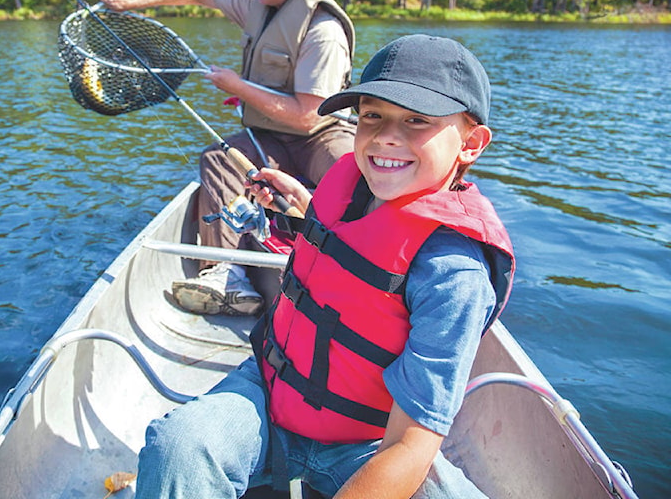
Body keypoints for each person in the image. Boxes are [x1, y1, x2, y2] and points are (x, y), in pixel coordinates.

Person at [132, 34, 515, 499]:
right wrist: (304, 211)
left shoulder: (455, 275)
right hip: (272, 392)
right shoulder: (350, 187)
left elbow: (410, 445)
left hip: (370, 440)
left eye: (417, 120)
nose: (387, 135)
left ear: (471, 143)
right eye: (372, 115)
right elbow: (347, 260)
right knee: (179, 447)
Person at [99, 0, 356, 316]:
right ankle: (224, 273)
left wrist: (237, 85)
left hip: (320, 133)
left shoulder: (324, 31)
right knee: (219, 159)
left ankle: (363, 267)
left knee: (352, 173)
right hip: (267, 135)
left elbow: (308, 116)